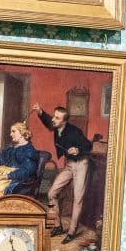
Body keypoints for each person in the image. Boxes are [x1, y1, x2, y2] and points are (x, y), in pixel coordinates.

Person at [33, 103, 92, 243]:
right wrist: (40, 111)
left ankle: (72, 231)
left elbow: (88, 145)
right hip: (70, 164)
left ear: (64, 121)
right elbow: (48, 121)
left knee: (78, 199)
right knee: (52, 193)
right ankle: (58, 226)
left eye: (57, 118)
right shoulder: (56, 125)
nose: (53, 119)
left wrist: (78, 150)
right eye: (54, 116)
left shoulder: (74, 131)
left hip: (82, 163)